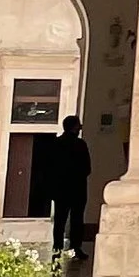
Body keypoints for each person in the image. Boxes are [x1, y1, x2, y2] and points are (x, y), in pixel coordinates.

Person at [46, 111, 94, 267]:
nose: (80, 128)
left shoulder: (55, 144)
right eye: (78, 126)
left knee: (59, 220)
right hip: (77, 188)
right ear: (74, 127)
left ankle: (57, 247)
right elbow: (87, 168)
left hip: (60, 189)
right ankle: (75, 248)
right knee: (77, 219)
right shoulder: (80, 144)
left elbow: (48, 167)